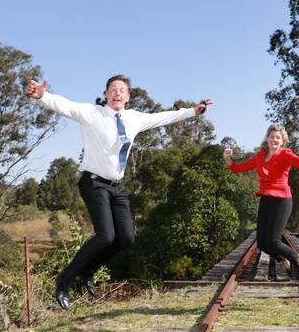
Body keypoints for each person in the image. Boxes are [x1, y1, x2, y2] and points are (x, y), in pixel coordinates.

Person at [26, 74, 212, 309]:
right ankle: (64, 281)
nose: (117, 93)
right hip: (93, 183)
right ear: (105, 94)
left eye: (121, 90)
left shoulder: (134, 118)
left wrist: (192, 111)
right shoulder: (91, 113)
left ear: (128, 96)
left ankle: (87, 274)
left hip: (117, 187)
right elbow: (64, 106)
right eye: (112, 89)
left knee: (125, 238)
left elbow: (163, 117)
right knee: (105, 236)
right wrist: (42, 96)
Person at [223, 124, 299, 279]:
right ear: (267, 138)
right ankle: (283, 258)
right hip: (266, 199)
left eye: (278, 137)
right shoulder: (260, 156)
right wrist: (227, 158)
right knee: (262, 242)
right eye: (272, 136)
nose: (274, 139)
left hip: (282, 200)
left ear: (283, 141)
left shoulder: (286, 154)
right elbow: (237, 169)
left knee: (273, 241)